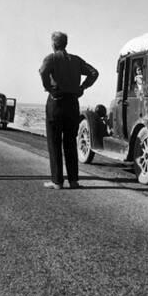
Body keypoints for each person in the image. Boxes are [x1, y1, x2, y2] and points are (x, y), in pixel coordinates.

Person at [39, 31, 99, 189]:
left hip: (56, 103)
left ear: (53, 44)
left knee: (54, 142)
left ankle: (57, 181)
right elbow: (94, 73)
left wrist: (49, 88)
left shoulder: (51, 58)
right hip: (73, 103)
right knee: (70, 142)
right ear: (65, 44)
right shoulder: (76, 60)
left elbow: (43, 71)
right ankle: (73, 180)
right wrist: (82, 87)